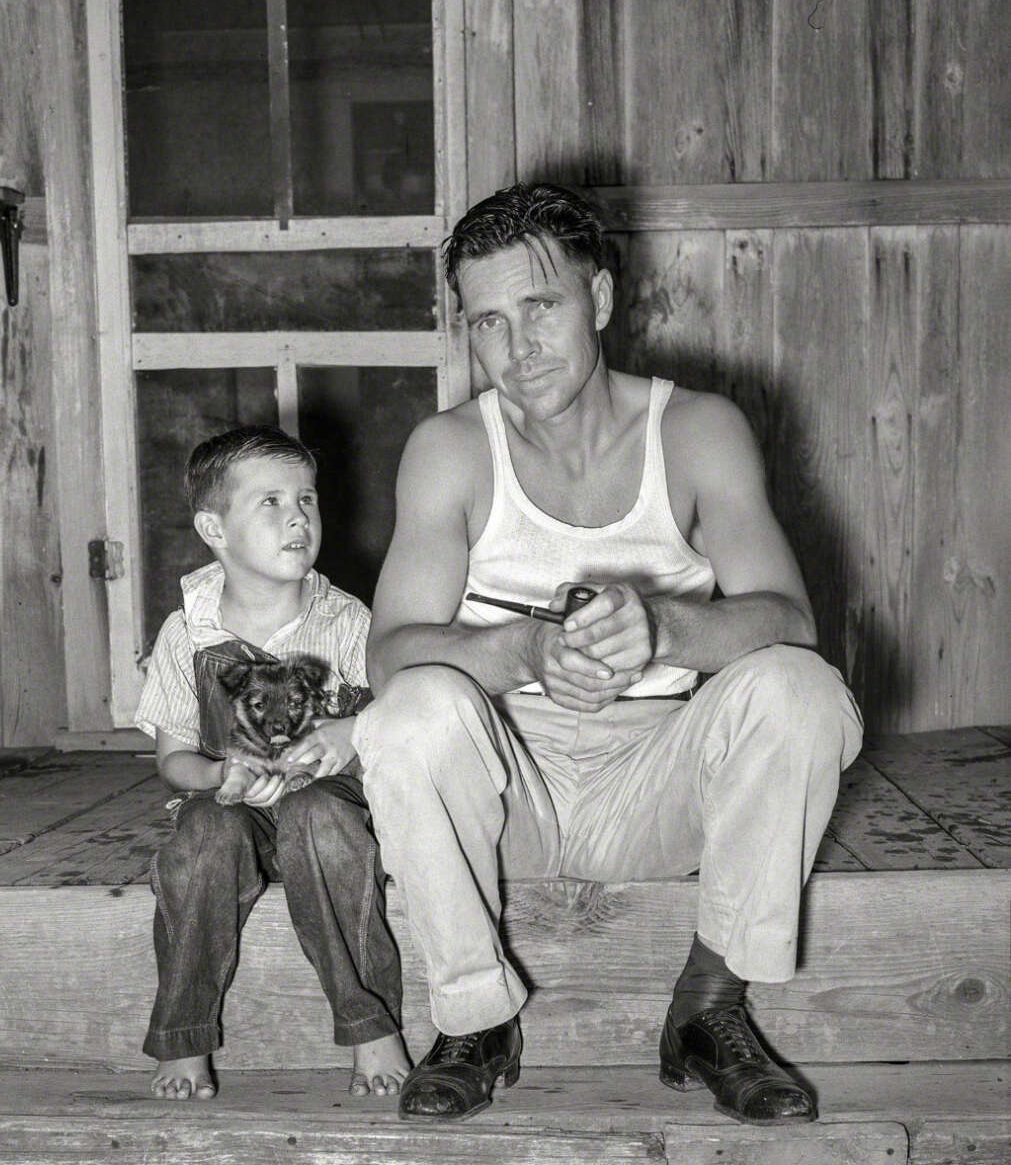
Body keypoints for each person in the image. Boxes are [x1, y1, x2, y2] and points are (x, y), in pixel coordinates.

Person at [353, 183, 863, 1125]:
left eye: (540, 307)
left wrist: (667, 630)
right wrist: (523, 649)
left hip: (659, 784)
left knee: (801, 692)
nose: (518, 347)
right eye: (488, 322)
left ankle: (711, 1006)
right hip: (509, 792)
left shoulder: (696, 429)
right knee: (407, 714)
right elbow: (389, 657)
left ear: (597, 298)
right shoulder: (450, 449)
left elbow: (791, 620)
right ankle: (474, 1019)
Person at [134, 425, 410, 1101]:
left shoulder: (346, 620)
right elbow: (174, 757)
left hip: (327, 806)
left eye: (307, 499)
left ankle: (368, 1021)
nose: (298, 517)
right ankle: (183, 1034)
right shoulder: (188, 629)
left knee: (319, 818)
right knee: (201, 837)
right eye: (270, 502)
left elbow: (400, 714)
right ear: (213, 527)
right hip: (237, 809)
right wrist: (214, 777)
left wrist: (351, 730)